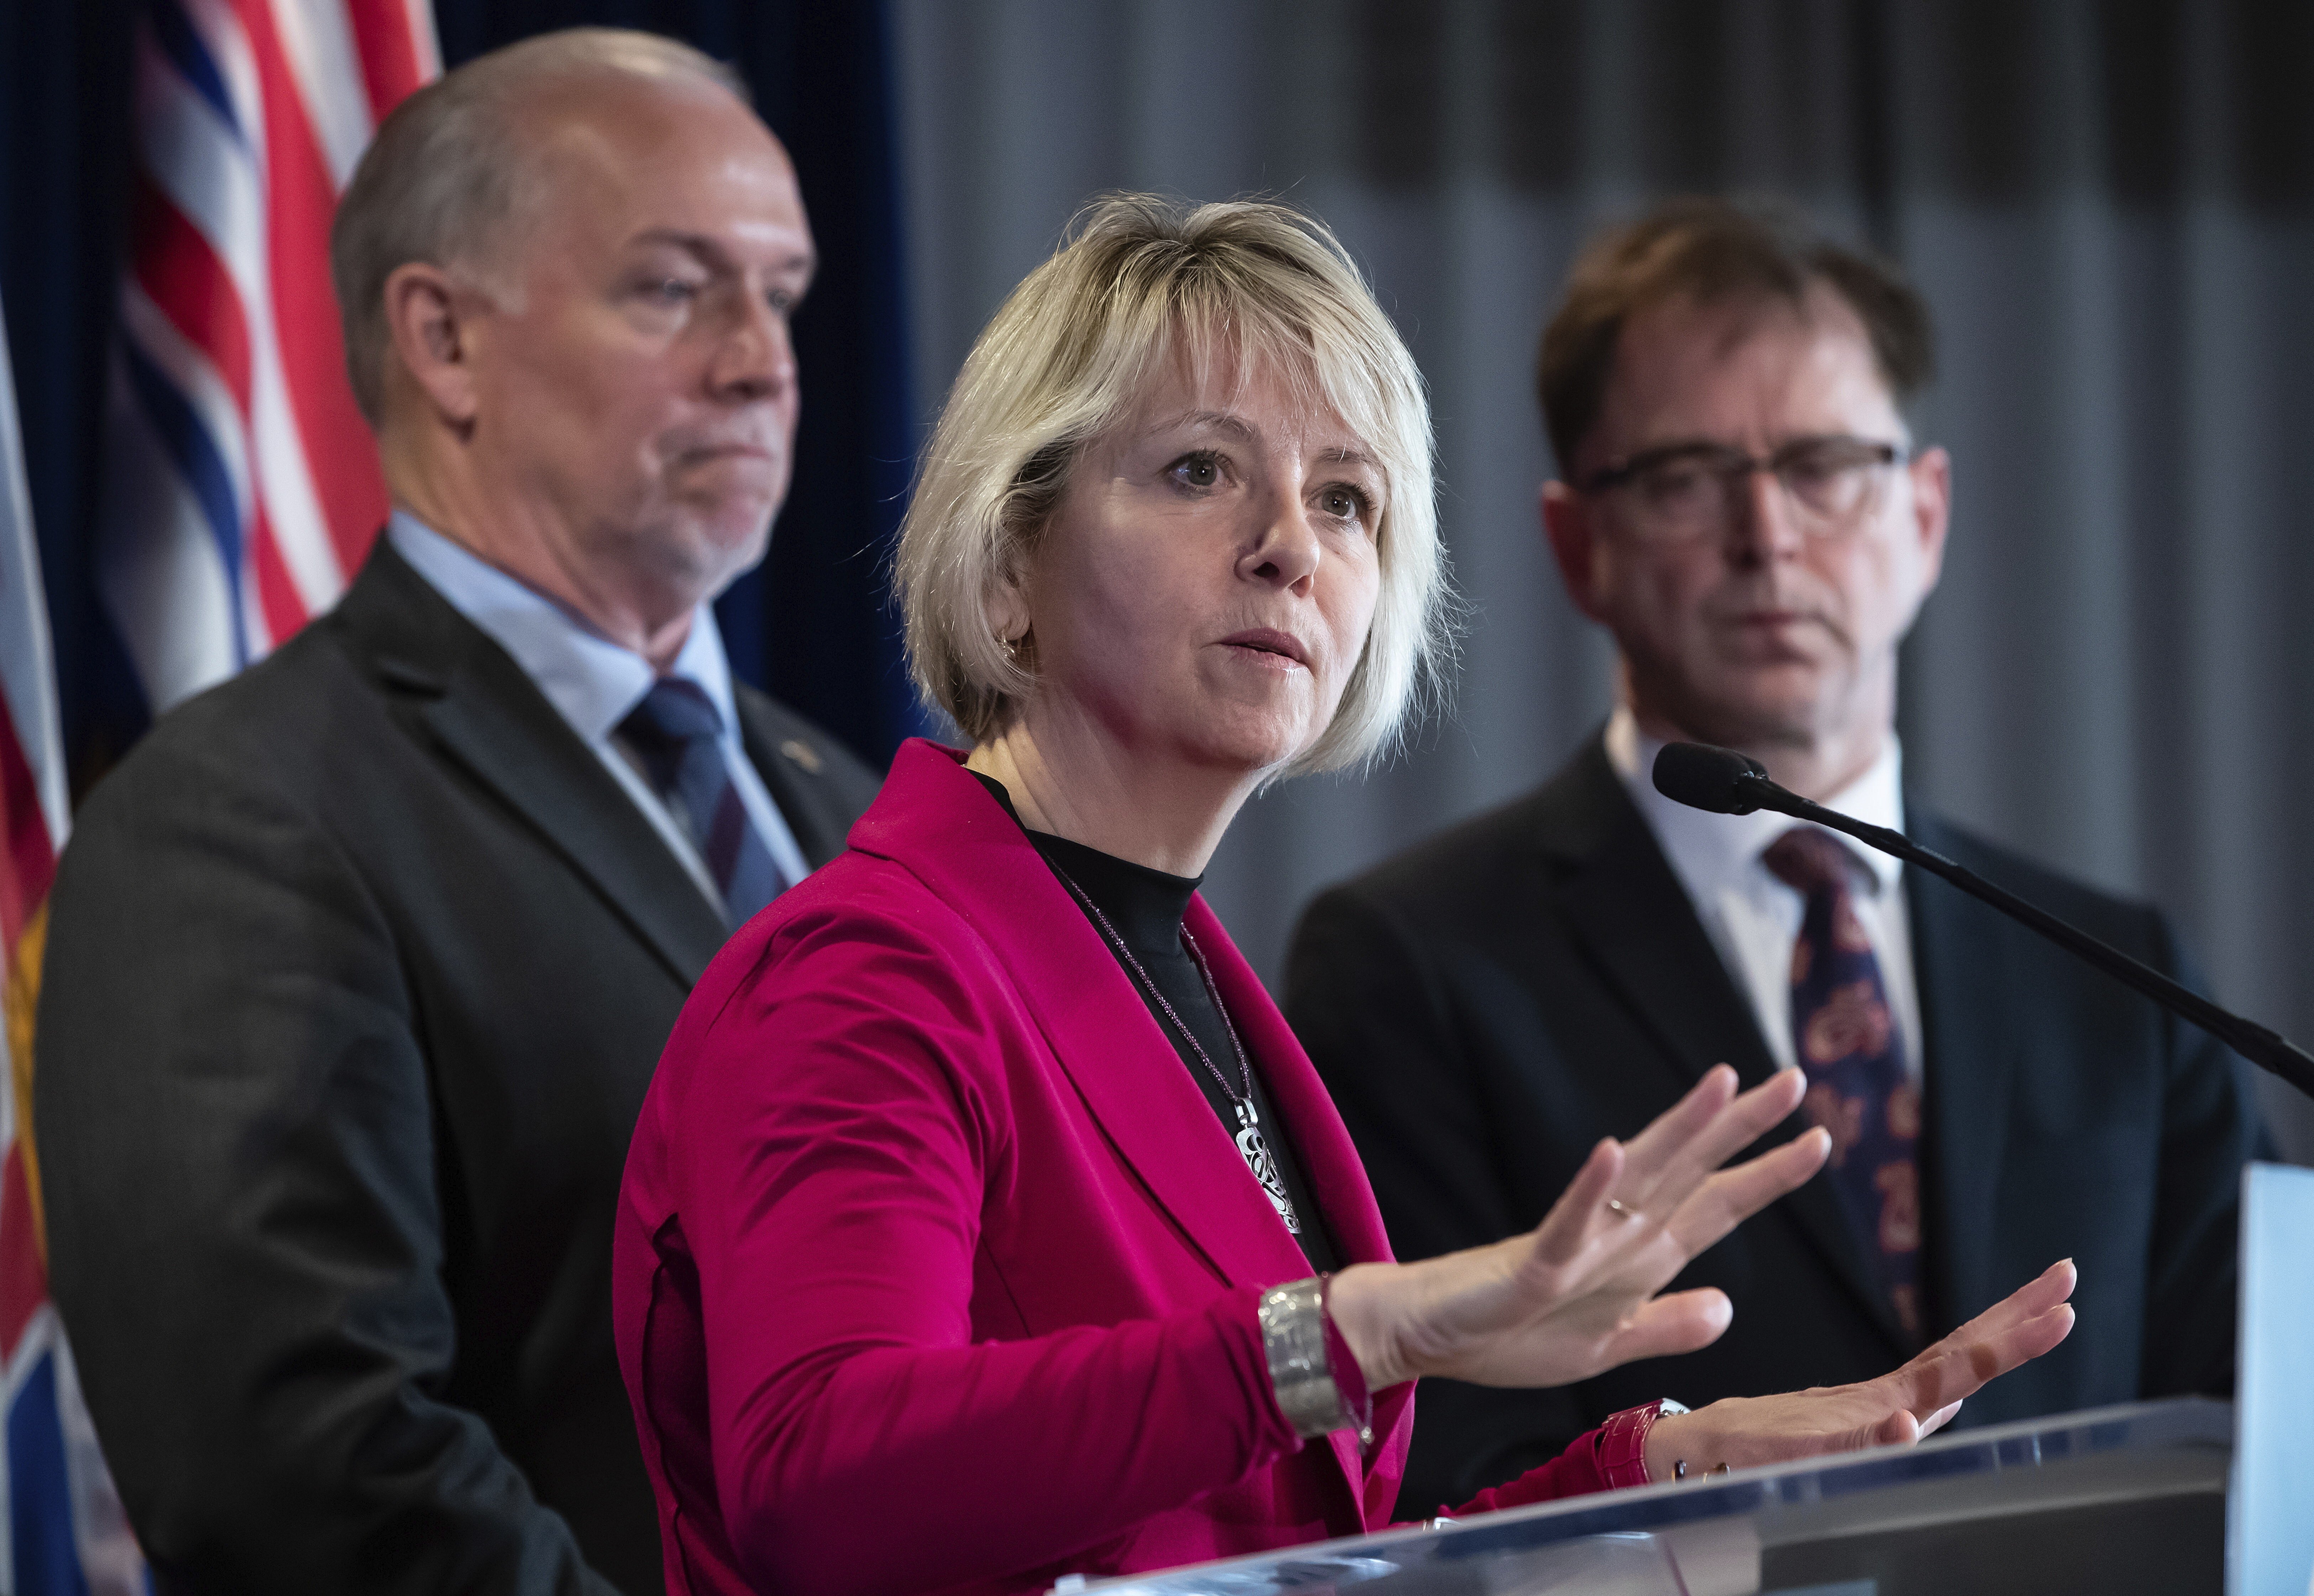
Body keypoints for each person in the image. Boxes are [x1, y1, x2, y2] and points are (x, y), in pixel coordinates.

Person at [613, 194, 2078, 1596]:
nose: (1288, 545)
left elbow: (1270, 1550)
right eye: (1199, 470)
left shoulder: (1181, 981)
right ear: (1009, 565)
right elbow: (819, 1480)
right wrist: (1351, 1327)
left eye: (1345, 498)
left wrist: (1663, 1463)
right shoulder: (864, 967)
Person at [35, 30, 880, 1595]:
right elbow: (302, 1466)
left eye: (782, 292)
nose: (761, 358)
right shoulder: (235, 823)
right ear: (442, 340)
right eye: (674, 286)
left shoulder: (854, 800)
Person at [1284, 196, 2261, 1518]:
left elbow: (2254, 1421)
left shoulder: (2118, 975)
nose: (1768, 537)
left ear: (1922, 514)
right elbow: (1423, 1478)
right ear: (1579, 545)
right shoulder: (1410, 964)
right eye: (1686, 478)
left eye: (1823, 466)